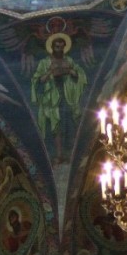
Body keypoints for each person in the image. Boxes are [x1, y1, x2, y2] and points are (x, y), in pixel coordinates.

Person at [31, 33, 87, 162]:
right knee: (55, 126)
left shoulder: (69, 61)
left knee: (69, 124)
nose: (59, 49)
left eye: (62, 47)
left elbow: (79, 75)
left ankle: (70, 154)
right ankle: (58, 155)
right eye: (57, 47)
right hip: (51, 99)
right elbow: (38, 80)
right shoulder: (44, 63)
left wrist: (69, 71)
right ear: (52, 47)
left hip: (67, 96)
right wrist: (50, 72)